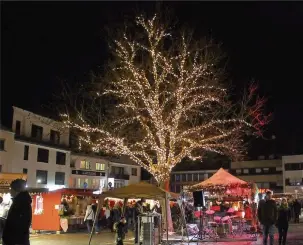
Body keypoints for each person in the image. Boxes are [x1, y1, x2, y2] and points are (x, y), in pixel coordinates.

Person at [2, 179, 32, 245]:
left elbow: (19, 225)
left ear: (16, 190)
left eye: (11, 188)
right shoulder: (19, 202)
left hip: (16, 241)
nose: (9, 191)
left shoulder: (21, 204)